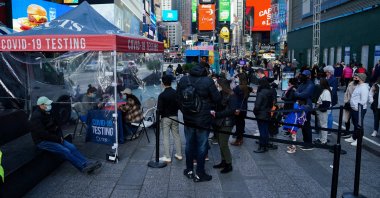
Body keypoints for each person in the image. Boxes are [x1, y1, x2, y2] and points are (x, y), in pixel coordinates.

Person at [28, 96, 101, 174]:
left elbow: (56, 125)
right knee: (65, 150)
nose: (49, 105)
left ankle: (87, 162)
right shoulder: (36, 117)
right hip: (42, 141)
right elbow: (43, 134)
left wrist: (60, 137)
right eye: (47, 104)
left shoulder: (47, 112)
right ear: (41, 105)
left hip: (53, 137)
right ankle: (83, 166)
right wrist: (58, 139)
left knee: (72, 147)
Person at [176, 62, 221, 182]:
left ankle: (189, 170)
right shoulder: (208, 81)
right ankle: (200, 173)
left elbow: (178, 98)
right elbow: (217, 98)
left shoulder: (184, 79)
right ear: (204, 70)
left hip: (188, 119)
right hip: (203, 119)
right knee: (202, 146)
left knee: (189, 144)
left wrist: (185, 111)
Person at [211, 78, 238, 174]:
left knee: (223, 143)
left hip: (227, 122)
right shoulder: (221, 93)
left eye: (218, 84)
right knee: (220, 142)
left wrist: (217, 114)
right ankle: (224, 161)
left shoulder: (232, 95)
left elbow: (231, 110)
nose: (217, 85)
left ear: (222, 85)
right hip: (220, 121)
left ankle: (229, 163)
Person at [158, 76, 182, 163]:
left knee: (166, 137)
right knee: (177, 136)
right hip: (175, 117)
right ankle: (179, 154)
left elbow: (159, 110)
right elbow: (179, 105)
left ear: (163, 84)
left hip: (165, 118)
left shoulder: (162, 95)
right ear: (171, 82)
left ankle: (167, 156)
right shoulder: (176, 93)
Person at [345, 73, 370, 146]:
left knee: (359, 125)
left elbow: (364, 100)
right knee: (355, 124)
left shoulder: (364, 88)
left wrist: (356, 107)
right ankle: (354, 137)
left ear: (361, 78)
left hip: (359, 109)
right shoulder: (358, 85)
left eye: (357, 77)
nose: (355, 77)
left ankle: (359, 140)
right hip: (355, 109)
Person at [294, 70, 315, 150]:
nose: (302, 76)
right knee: (303, 124)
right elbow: (297, 92)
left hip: (306, 106)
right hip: (301, 105)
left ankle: (309, 143)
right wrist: (298, 94)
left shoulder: (310, 84)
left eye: (304, 75)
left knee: (306, 124)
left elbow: (304, 94)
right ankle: (305, 141)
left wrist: (298, 94)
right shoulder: (303, 83)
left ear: (309, 76)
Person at [253, 78, 275, 153]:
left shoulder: (261, 93)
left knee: (262, 130)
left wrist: (255, 112)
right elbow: (271, 103)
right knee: (265, 130)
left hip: (261, 114)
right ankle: (265, 144)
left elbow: (257, 106)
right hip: (267, 113)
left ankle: (262, 146)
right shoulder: (270, 92)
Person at [231, 73, 252, 146]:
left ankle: (238, 139)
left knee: (238, 124)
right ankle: (241, 138)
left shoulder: (238, 88)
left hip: (238, 108)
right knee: (242, 122)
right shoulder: (247, 88)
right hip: (244, 108)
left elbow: (233, 95)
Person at [313, 79, 332, 145]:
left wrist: (319, 107)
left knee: (323, 125)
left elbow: (326, 104)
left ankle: (324, 140)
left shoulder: (326, 92)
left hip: (322, 111)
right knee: (321, 125)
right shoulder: (324, 91)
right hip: (320, 110)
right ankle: (322, 138)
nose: (319, 84)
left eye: (320, 83)